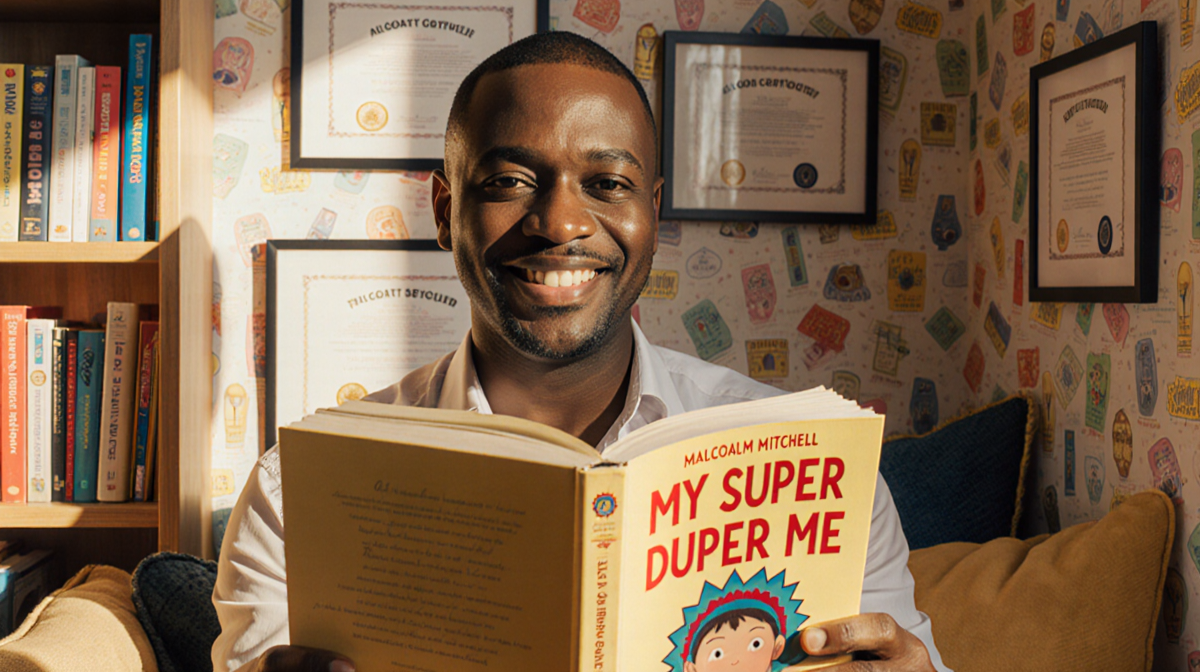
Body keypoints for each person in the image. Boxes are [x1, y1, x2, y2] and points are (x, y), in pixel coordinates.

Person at [212, 31, 948, 672]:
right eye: (509, 181)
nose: (561, 221)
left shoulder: (817, 471)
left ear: (652, 214)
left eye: (607, 183)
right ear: (446, 212)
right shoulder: (295, 497)